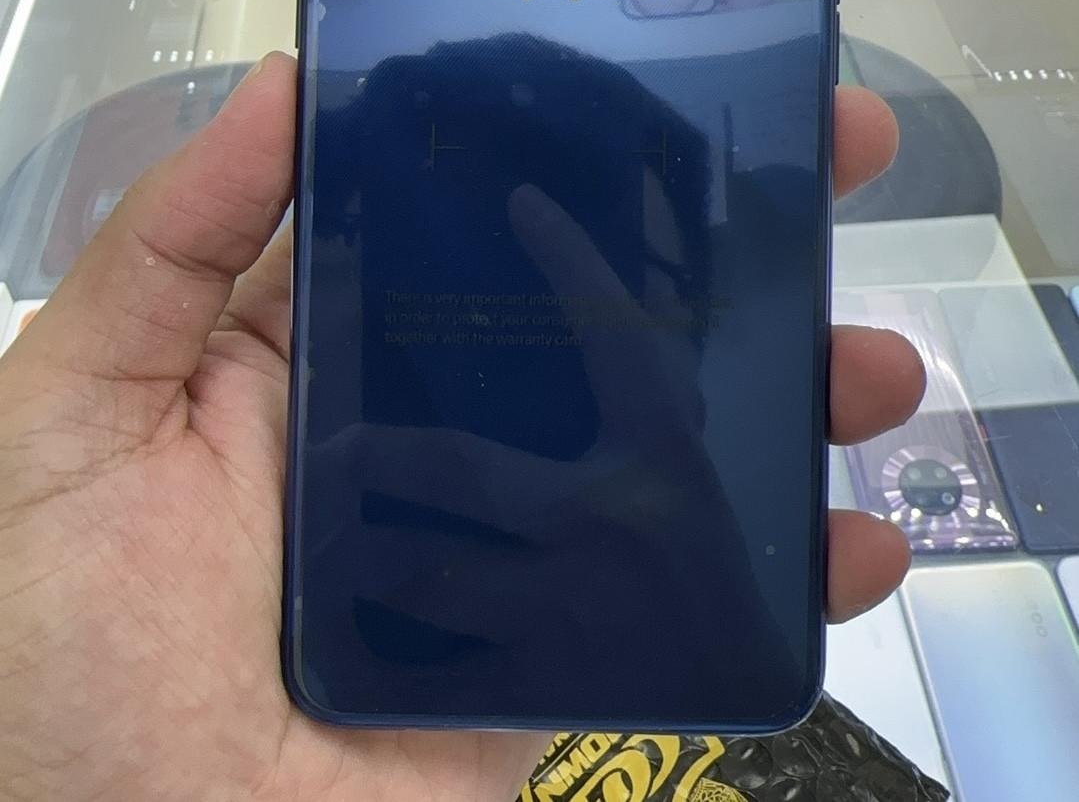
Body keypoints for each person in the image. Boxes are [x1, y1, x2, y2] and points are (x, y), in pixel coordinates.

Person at [0, 52, 925, 802]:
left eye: (597, 284)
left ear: (694, 347)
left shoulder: (715, 656)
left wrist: (726, 649)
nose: (515, 342)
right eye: (440, 269)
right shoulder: (214, 581)